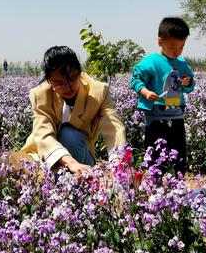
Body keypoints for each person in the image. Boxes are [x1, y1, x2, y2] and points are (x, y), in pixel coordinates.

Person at [19, 46, 126, 176]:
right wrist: (70, 162)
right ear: (49, 80)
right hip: (48, 154)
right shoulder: (40, 95)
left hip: (82, 158)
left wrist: (117, 162)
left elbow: (113, 128)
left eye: (72, 79)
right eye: (59, 83)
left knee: (68, 134)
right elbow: (43, 133)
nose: (68, 88)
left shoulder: (99, 91)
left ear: (80, 72)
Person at [130, 17, 195, 173]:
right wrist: (145, 92)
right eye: (173, 47)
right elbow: (136, 79)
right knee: (154, 152)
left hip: (177, 114)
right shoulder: (150, 61)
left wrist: (187, 82)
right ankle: (155, 183)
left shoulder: (182, 63)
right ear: (160, 41)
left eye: (181, 47)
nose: (177, 51)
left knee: (179, 152)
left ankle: (178, 184)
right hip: (155, 116)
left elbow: (190, 85)